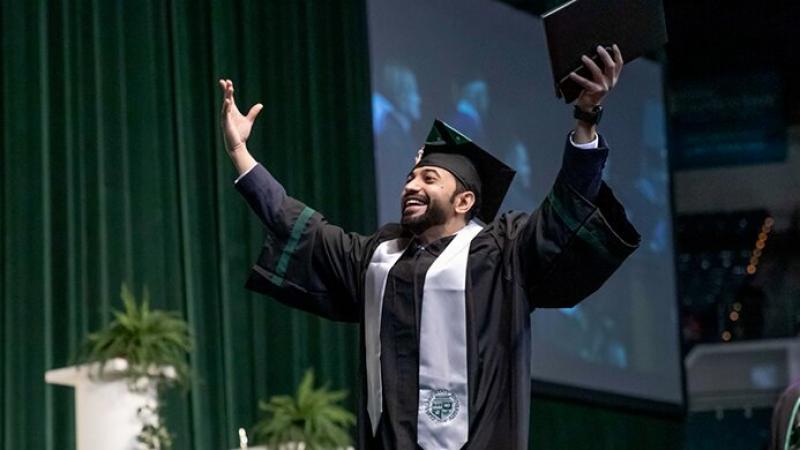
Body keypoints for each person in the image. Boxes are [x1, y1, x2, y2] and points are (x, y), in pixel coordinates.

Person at [219, 44, 640, 450]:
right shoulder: (377, 259)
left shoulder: (501, 254)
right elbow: (295, 222)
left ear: (465, 201)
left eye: (429, 179)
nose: (411, 186)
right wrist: (240, 151)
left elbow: (566, 207)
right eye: (410, 178)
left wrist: (586, 118)